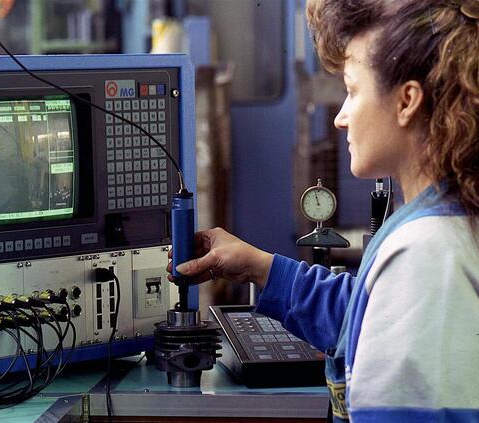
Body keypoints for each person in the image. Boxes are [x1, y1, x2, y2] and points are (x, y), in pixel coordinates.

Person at [168, 0, 479, 421]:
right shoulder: (446, 217)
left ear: (407, 101)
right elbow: (370, 316)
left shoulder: (425, 252)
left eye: (352, 90)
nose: (341, 118)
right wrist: (261, 267)